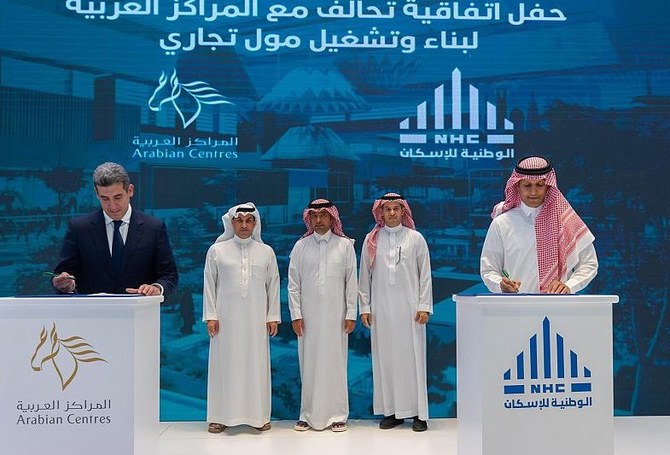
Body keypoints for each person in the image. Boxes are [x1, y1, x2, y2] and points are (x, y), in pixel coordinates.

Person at [203, 202, 280, 433]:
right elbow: (209, 284)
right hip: (225, 321)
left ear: (255, 223)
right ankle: (219, 416)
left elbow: (273, 285)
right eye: (239, 221)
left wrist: (272, 316)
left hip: (256, 321)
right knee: (223, 365)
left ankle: (259, 416)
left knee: (256, 365)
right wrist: (211, 315)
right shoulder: (217, 250)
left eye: (249, 221)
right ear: (232, 223)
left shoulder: (266, 252)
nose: (244, 225)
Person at [359, 193, 433, 432]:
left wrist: (424, 306)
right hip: (381, 310)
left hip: (411, 311)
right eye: (387, 209)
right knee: (386, 360)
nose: (391, 213)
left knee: (413, 361)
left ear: (403, 211)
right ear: (380, 212)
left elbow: (425, 275)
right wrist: (365, 307)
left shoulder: (415, 238)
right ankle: (391, 412)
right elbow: (364, 277)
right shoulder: (371, 240)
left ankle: (419, 414)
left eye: (396, 209)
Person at [52, 162, 178, 297]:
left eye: (118, 197)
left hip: (139, 309)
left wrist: (156, 288)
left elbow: (169, 275)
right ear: (96, 193)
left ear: (130, 190)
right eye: (105, 198)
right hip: (92, 310)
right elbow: (62, 275)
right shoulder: (79, 228)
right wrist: (64, 284)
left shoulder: (153, 228)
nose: (112, 206)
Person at [480, 155, 598, 294]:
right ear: (517, 186)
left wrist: (569, 286)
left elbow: (589, 264)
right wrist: (500, 285)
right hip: (515, 305)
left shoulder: (566, 220)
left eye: (540, 185)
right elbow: (489, 270)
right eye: (527, 185)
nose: (533, 192)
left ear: (548, 186)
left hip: (558, 305)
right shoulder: (502, 223)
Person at [288, 199, 357, 432]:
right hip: (308, 318)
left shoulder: (345, 246)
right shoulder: (300, 246)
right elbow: (293, 284)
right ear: (309, 219)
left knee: (336, 364)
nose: (319, 220)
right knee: (308, 364)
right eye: (314, 216)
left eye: (323, 215)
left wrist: (351, 313)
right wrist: (295, 315)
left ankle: (338, 415)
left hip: (337, 317)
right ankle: (306, 414)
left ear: (332, 218)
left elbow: (351, 282)